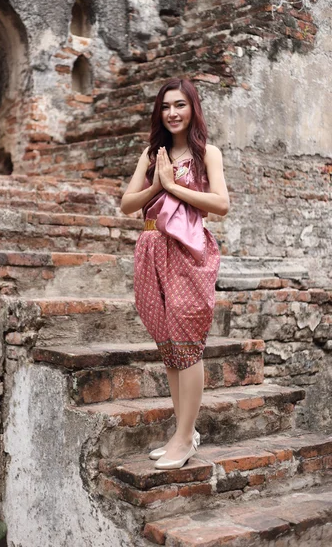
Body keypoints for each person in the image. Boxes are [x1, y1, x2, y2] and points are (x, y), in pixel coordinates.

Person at [120, 78, 230, 470]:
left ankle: (184, 438)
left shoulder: (207, 154)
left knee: (186, 340)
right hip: (150, 247)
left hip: (187, 250)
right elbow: (127, 205)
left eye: (180, 105)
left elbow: (220, 204)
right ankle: (183, 430)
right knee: (167, 343)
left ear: (192, 108)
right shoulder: (152, 154)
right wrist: (156, 183)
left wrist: (174, 186)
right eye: (166, 106)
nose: (172, 112)